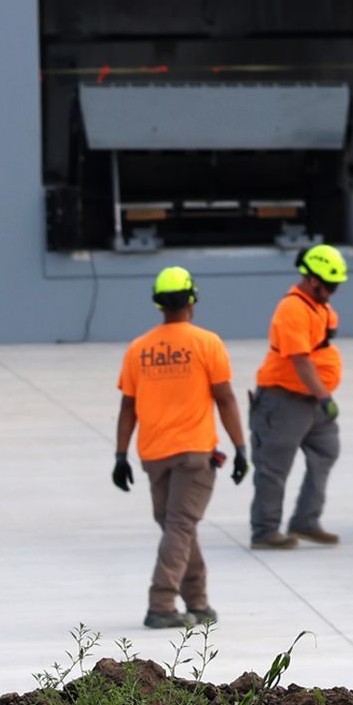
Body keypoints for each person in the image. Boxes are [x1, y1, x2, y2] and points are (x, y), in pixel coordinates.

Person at [113, 266, 248, 628]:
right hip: (194, 455)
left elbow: (127, 408)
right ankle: (161, 604)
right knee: (179, 526)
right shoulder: (207, 343)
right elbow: (226, 399)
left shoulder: (139, 349)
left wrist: (120, 455)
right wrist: (241, 447)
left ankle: (198, 602)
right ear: (192, 300)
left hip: (153, 455)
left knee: (178, 526)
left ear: (158, 303)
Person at [248, 243, 348, 549]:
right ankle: (265, 531)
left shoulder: (319, 307)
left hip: (311, 402)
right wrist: (325, 398)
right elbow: (300, 360)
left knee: (326, 451)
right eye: (330, 285)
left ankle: (306, 521)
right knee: (274, 467)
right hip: (284, 401)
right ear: (313, 279)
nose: (333, 291)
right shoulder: (292, 308)